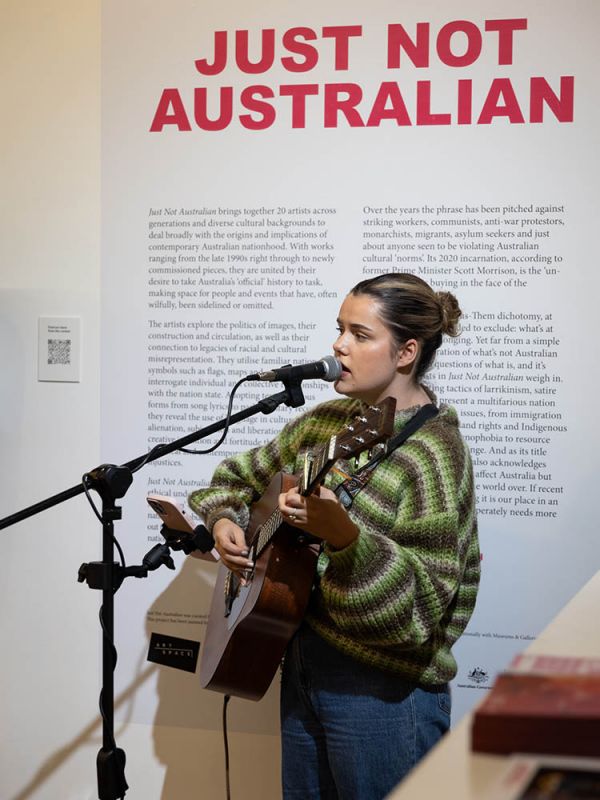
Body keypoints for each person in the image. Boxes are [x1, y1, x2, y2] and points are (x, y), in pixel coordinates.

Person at [188, 272, 480, 799]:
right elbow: (234, 479)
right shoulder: (329, 422)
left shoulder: (434, 457)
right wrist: (225, 521)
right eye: (339, 329)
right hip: (302, 665)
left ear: (406, 352)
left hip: (384, 696)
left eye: (359, 334)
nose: (338, 345)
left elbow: (417, 618)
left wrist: (346, 539)